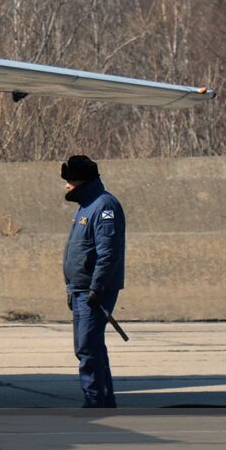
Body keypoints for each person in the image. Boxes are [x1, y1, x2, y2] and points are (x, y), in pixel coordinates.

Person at [60, 155, 126, 408]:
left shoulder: (104, 206)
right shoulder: (85, 207)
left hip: (93, 291)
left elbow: (108, 252)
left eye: (70, 181)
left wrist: (97, 287)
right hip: (80, 290)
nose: (67, 186)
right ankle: (103, 399)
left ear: (83, 181)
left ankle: (95, 401)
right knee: (88, 346)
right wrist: (71, 287)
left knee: (88, 347)